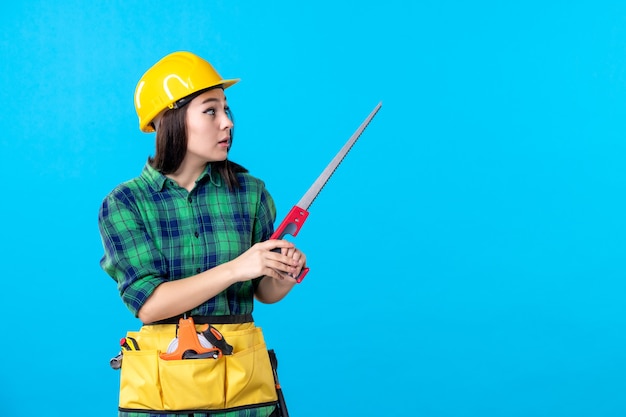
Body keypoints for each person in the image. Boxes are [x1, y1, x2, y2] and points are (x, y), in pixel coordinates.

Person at [98, 51, 306, 417]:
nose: (227, 122)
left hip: (244, 398)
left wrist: (283, 274)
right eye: (210, 110)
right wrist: (238, 267)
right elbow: (149, 305)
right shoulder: (125, 203)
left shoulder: (251, 193)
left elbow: (262, 292)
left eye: (227, 109)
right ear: (169, 119)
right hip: (163, 400)